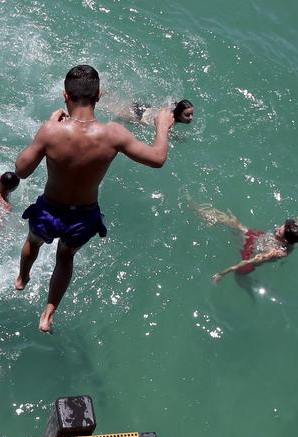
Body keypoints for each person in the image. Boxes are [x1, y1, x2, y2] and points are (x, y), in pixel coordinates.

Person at [13, 64, 176, 333]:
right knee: (65, 258)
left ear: (66, 95)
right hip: (83, 216)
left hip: (49, 209)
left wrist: (48, 128)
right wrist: (162, 126)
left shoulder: (51, 131)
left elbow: (21, 170)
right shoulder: (114, 134)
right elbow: (157, 159)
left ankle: (22, 278)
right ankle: (48, 313)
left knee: (33, 241)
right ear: (99, 95)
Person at [193, 202, 298, 282]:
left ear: (285, 240)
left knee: (239, 274)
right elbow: (297, 224)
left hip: (251, 252)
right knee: (229, 221)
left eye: (279, 231)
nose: (277, 228)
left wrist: (222, 274)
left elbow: (249, 262)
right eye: (281, 226)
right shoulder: (292, 231)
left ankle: (246, 284)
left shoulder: (275, 252)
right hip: (258, 237)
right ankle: (197, 209)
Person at [121, 99, 194, 126]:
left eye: (192, 114)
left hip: (146, 108)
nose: (191, 118)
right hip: (139, 116)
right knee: (112, 109)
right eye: (187, 115)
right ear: (178, 114)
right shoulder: (170, 122)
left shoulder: (173, 107)